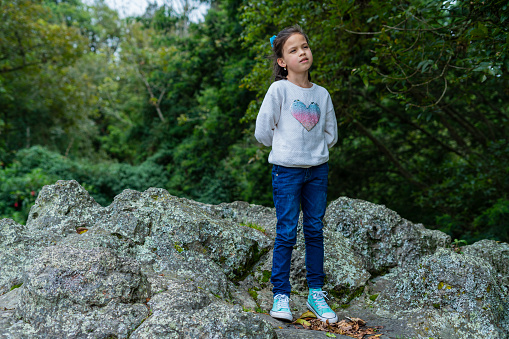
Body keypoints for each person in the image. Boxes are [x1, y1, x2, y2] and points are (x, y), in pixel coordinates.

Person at [254, 25, 338, 323]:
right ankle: (281, 295)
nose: (302, 52)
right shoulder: (279, 90)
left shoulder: (322, 94)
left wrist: (311, 153)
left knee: (314, 229)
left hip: (317, 171)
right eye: (293, 50)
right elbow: (263, 132)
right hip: (286, 172)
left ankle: (316, 294)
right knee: (287, 230)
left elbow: (331, 135)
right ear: (281, 61)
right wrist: (290, 150)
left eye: (305, 46)